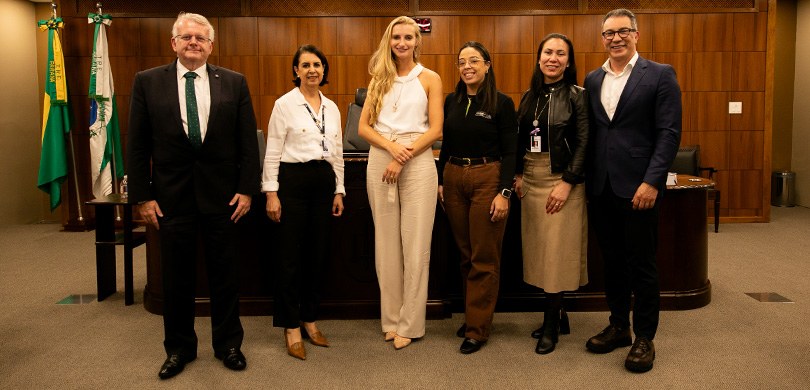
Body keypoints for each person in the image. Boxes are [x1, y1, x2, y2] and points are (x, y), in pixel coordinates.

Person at [127, 12, 259, 379]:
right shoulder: (147, 82)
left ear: (211, 45)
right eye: (186, 37)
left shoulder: (234, 82)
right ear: (174, 43)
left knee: (225, 276)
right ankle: (179, 349)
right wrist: (142, 197)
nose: (193, 43)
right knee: (176, 279)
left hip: (224, 199)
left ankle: (229, 344)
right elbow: (136, 146)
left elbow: (248, 144)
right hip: (171, 200)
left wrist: (247, 190)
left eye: (200, 38)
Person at [583, 8, 682, 373]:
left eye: (623, 31)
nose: (616, 38)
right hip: (603, 187)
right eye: (609, 33)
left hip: (640, 187)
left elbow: (668, 133)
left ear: (636, 35)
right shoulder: (593, 79)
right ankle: (618, 326)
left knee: (642, 264)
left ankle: (644, 337)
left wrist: (652, 181)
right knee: (612, 262)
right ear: (603, 38)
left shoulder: (659, 74)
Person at [358, 16, 443, 350]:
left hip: (417, 158)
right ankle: (391, 319)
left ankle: (411, 323)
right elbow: (364, 128)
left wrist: (401, 154)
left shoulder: (430, 79)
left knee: (416, 246)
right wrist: (390, 148)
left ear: (417, 42)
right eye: (397, 38)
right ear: (389, 41)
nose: (402, 43)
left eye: (409, 37)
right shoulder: (379, 77)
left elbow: (436, 130)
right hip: (381, 155)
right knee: (386, 247)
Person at [262, 44, 345, 361]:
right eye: (306, 65)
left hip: (323, 184)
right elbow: (272, 151)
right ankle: (290, 326)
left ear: (324, 70)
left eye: (318, 65)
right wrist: (271, 192)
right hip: (292, 183)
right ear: (296, 70)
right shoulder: (284, 105)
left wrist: (339, 190)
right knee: (289, 258)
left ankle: (309, 319)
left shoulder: (332, 107)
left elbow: (336, 154)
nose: (313, 70)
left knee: (316, 254)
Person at [437, 41, 517, 354]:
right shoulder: (451, 101)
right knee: (466, 254)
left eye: (474, 61)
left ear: (487, 65)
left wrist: (504, 191)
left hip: (488, 178)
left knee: (484, 256)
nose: (467, 66)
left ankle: (477, 329)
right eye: (461, 62)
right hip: (454, 177)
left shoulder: (502, 102)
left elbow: (511, 151)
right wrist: (441, 180)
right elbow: (446, 143)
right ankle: (475, 315)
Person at [514, 33, 589, 355]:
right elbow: (520, 139)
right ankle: (559, 314)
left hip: (562, 181)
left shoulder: (578, 96)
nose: (553, 58)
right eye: (548, 52)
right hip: (531, 179)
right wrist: (518, 174)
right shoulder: (530, 96)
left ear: (568, 61)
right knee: (540, 252)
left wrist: (568, 181)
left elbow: (585, 143)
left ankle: (550, 326)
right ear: (539, 57)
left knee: (557, 254)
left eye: (560, 54)